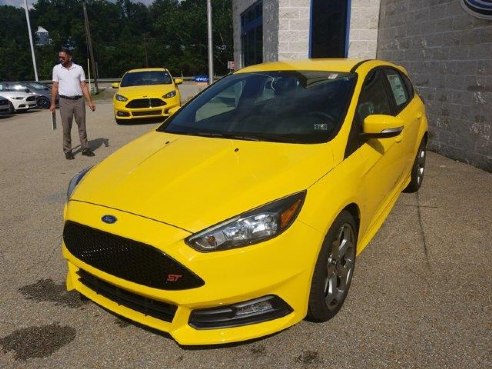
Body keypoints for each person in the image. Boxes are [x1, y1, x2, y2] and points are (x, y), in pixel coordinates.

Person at [50, 48, 96, 160]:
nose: (60, 59)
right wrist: (52, 103)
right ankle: (68, 150)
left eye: (63, 57)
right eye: (59, 57)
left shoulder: (79, 68)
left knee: (82, 126)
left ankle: (85, 148)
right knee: (66, 127)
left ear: (70, 57)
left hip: (79, 100)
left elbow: (84, 85)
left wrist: (89, 101)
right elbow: (55, 86)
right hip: (64, 101)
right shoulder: (57, 69)